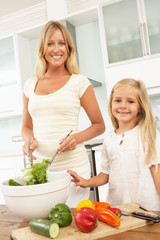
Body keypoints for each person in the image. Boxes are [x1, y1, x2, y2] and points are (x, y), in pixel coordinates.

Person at [21, 20, 105, 207]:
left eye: (61, 43)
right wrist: (28, 141)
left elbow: (99, 125)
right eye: (50, 43)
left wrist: (77, 137)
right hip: (43, 171)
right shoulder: (29, 86)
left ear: (69, 48)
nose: (56, 49)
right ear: (43, 49)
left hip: (74, 170)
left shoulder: (79, 82)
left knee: (74, 226)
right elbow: (26, 127)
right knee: (46, 223)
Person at [68, 78, 160, 211]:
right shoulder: (109, 139)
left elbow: (157, 171)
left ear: (140, 106)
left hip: (148, 210)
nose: (123, 105)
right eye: (117, 100)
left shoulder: (149, 134)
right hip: (118, 210)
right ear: (111, 104)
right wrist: (87, 182)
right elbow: (106, 174)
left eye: (130, 101)